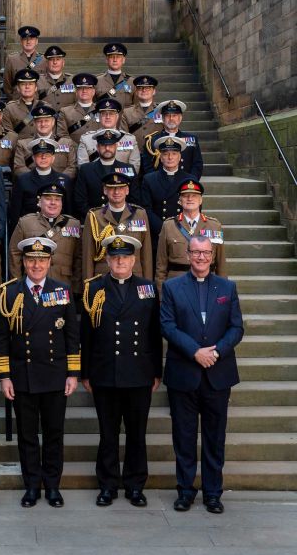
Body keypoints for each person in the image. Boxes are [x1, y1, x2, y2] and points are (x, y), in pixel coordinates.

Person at [161, 235, 244, 514]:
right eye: (195, 253)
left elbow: (236, 328)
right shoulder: (172, 287)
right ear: (187, 254)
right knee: (183, 437)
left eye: (206, 253)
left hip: (218, 375)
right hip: (184, 373)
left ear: (212, 255)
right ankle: (185, 491)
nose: (200, 258)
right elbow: (168, 327)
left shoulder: (227, 287)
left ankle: (212, 493)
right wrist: (195, 352)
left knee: (214, 437)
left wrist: (216, 352)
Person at [0, 237, 80, 508]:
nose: (36, 265)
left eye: (42, 260)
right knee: (27, 435)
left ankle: (52, 486)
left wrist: (73, 373)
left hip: (55, 374)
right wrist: (5, 376)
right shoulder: (9, 293)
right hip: (23, 375)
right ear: (23, 262)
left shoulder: (62, 290)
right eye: (31, 260)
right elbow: (2, 339)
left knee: (54, 433)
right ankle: (32, 486)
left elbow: (71, 335)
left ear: (50, 262)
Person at [81, 235, 162, 507]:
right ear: (106, 260)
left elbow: (153, 333)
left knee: (137, 434)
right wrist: (85, 373)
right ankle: (107, 485)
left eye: (125, 257)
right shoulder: (93, 289)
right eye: (115, 258)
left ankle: (135, 485)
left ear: (134, 260)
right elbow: (86, 335)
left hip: (139, 372)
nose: (120, 262)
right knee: (108, 433)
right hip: (105, 372)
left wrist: (156, 372)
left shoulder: (148, 288)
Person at [9, 183, 82, 294]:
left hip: (63, 285)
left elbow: (79, 258)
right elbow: (14, 254)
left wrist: (76, 288)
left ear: (62, 203)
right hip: (32, 286)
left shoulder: (73, 224)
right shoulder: (25, 223)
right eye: (48, 198)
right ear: (39, 202)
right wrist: (17, 284)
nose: (53, 203)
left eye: (57, 199)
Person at [82, 172, 153, 282]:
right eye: (112, 188)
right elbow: (88, 256)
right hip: (103, 278)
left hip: (135, 277)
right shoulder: (94, 216)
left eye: (121, 188)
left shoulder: (140, 214)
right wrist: (88, 286)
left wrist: (148, 285)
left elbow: (146, 254)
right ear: (105, 190)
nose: (116, 192)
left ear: (127, 190)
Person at [156, 179, 226, 287]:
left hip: (207, 283)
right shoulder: (168, 226)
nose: (190, 199)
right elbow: (161, 266)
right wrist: (161, 296)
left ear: (200, 200)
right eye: (185, 195)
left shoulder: (214, 226)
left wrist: (222, 292)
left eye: (194, 195)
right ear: (179, 200)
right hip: (177, 285)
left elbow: (221, 265)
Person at [74, 129, 139, 222]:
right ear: (97, 147)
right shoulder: (86, 170)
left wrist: (120, 219)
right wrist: (97, 218)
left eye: (111, 145)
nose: (107, 148)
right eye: (103, 145)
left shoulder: (128, 169)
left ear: (116, 146)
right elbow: (80, 201)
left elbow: (134, 200)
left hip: (122, 222)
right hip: (94, 221)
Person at [8, 138, 73, 231]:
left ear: (53, 158)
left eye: (47, 154)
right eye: (39, 155)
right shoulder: (22, 180)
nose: (43, 157)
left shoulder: (64, 180)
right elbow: (15, 212)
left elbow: (69, 212)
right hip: (30, 230)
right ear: (33, 158)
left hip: (57, 230)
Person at [141, 136, 194, 242]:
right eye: (165, 154)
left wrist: (180, 230)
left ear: (179, 157)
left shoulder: (190, 180)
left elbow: (194, 209)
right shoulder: (149, 179)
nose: (170, 157)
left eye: (174, 154)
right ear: (160, 157)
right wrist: (165, 229)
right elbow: (146, 209)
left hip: (183, 233)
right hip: (158, 234)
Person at [142, 100, 204, 180]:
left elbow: (197, 164)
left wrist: (190, 182)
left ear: (180, 118)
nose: (171, 118)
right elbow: (147, 166)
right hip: (160, 184)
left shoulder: (191, 139)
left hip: (185, 183)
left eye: (174, 115)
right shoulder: (152, 140)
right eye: (167, 115)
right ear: (163, 118)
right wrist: (155, 183)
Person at [14, 102, 77, 179]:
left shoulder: (66, 142)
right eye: (39, 121)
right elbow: (19, 168)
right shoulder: (23, 144)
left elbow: (72, 168)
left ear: (53, 122)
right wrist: (36, 180)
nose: (43, 124)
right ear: (34, 123)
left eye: (46, 120)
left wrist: (58, 180)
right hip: (33, 186)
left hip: (60, 186)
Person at [77, 97, 140, 173]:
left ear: (117, 117)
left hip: (121, 182)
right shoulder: (86, 139)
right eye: (104, 114)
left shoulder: (130, 139)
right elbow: (83, 168)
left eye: (111, 113)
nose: (108, 117)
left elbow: (134, 167)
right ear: (99, 117)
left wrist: (117, 180)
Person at [3, 25, 47, 100]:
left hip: (38, 104)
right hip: (17, 103)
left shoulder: (44, 60)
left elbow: (47, 84)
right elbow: (7, 85)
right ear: (21, 41)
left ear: (36, 41)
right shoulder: (12, 59)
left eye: (31, 38)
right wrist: (14, 99)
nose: (28, 41)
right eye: (25, 38)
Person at [120, 75, 162, 151]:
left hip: (156, 154)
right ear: (136, 92)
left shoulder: (161, 110)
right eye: (140, 88)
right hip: (134, 153)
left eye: (148, 88)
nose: (144, 90)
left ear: (154, 91)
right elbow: (124, 138)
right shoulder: (127, 112)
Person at [56, 73, 101, 144]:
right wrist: (79, 149)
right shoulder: (65, 112)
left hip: (98, 151)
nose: (84, 91)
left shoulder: (102, 110)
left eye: (88, 88)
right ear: (76, 91)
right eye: (80, 88)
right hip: (74, 151)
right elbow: (62, 136)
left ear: (93, 91)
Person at [2, 68, 42, 140]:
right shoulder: (10, 108)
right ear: (18, 88)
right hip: (18, 149)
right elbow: (8, 135)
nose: (27, 87)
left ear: (36, 88)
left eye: (31, 84)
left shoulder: (45, 106)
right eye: (23, 84)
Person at [95, 42, 134, 109]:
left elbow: (136, 107)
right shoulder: (97, 81)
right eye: (111, 57)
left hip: (125, 119)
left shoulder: (132, 82)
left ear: (123, 60)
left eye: (118, 57)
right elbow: (92, 106)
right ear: (107, 60)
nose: (115, 60)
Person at [36, 45, 76, 112]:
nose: (55, 62)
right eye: (51, 59)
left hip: (67, 121)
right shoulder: (38, 81)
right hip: (45, 120)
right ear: (46, 63)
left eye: (58, 59)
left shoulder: (73, 81)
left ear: (63, 63)